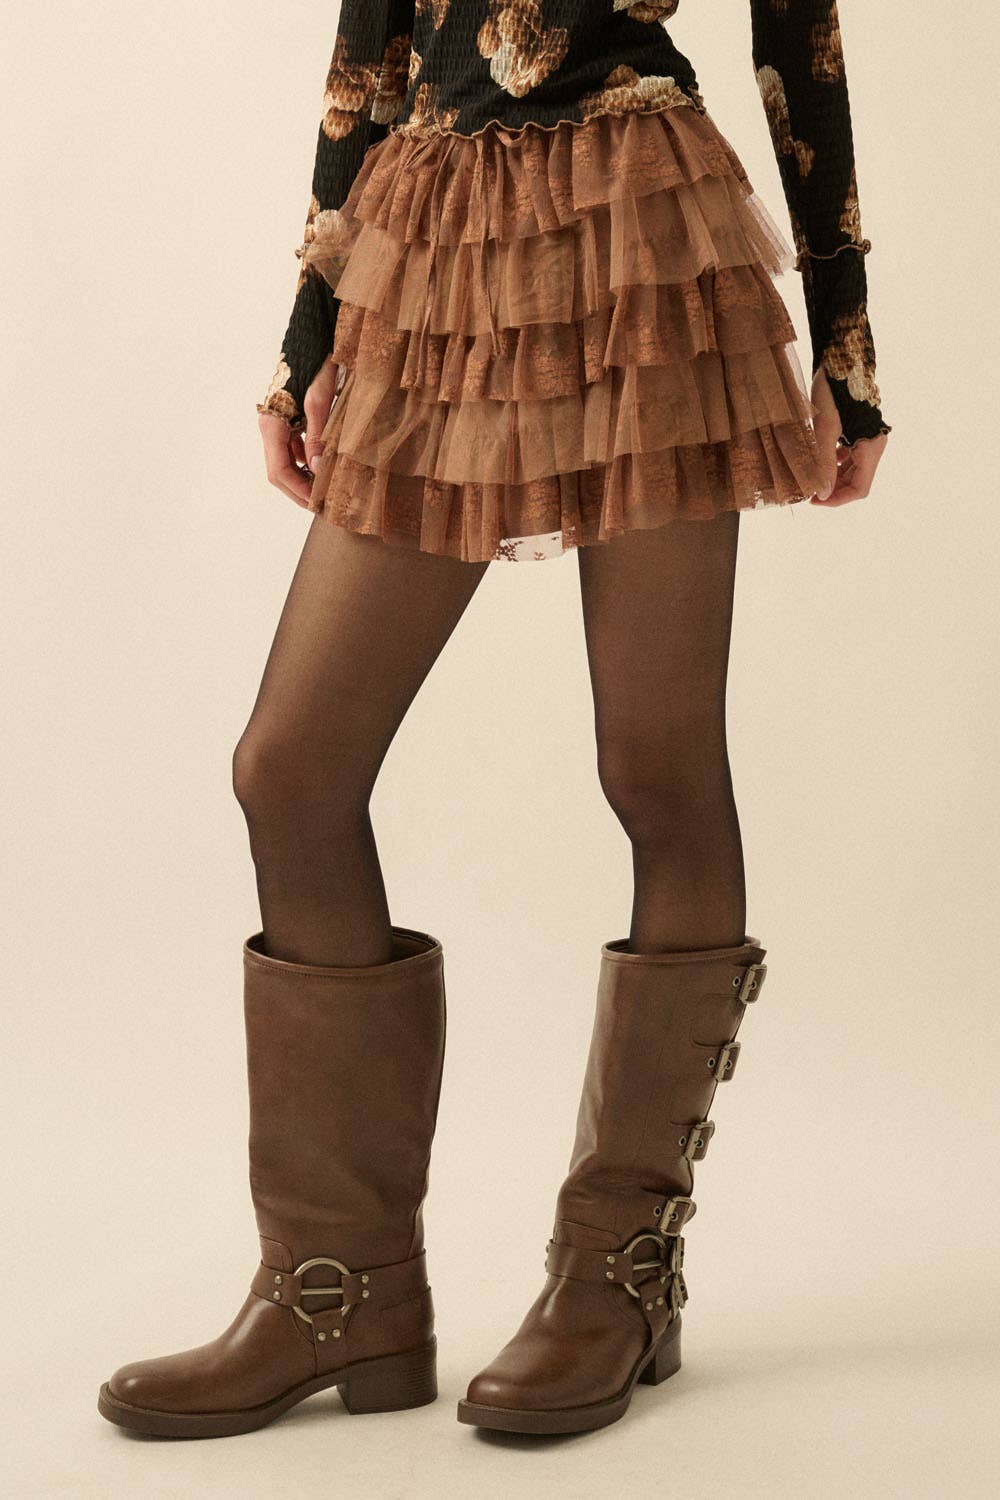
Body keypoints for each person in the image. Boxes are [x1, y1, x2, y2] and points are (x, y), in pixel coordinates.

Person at [98, 0, 890, 1440]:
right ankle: (340, 1288)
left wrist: (846, 352)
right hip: (435, 235)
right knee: (292, 769)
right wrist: (305, 335)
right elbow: (372, 53)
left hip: (642, 229)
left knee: (655, 766)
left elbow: (802, 45)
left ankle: (618, 1270)